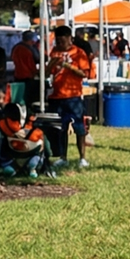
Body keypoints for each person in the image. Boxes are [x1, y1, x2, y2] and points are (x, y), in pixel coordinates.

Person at [48, 25, 91, 168]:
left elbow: (84, 74)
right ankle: (63, 157)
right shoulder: (54, 52)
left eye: (62, 40)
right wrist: (51, 64)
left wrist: (68, 66)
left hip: (73, 96)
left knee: (79, 127)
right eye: (57, 41)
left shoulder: (79, 53)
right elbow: (48, 72)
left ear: (69, 38)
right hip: (57, 96)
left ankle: (82, 158)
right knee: (61, 128)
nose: (59, 44)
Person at [11, 30, 41, 107]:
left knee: (19, 100)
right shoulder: (28, 50)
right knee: (29, 100)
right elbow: (31, 63)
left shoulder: (16, 48)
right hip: (28, 77)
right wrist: (36, 72)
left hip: (17, 76)